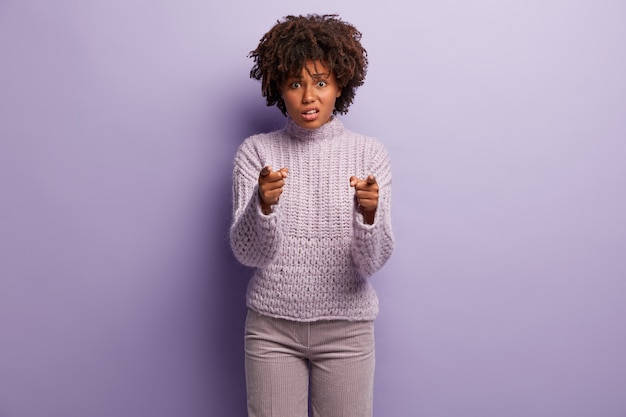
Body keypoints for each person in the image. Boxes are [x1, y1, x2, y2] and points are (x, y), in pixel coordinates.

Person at [229, 13, 394, 417]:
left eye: (320, 82)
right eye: (295, 83)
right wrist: (262, 205)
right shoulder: (256, 152)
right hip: (272, 330)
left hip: (347, 331)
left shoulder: (369, 154)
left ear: (340, 85)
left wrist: (370, 215)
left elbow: (372, 262)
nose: (308, 97)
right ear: (278, 88)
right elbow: (248, 253)